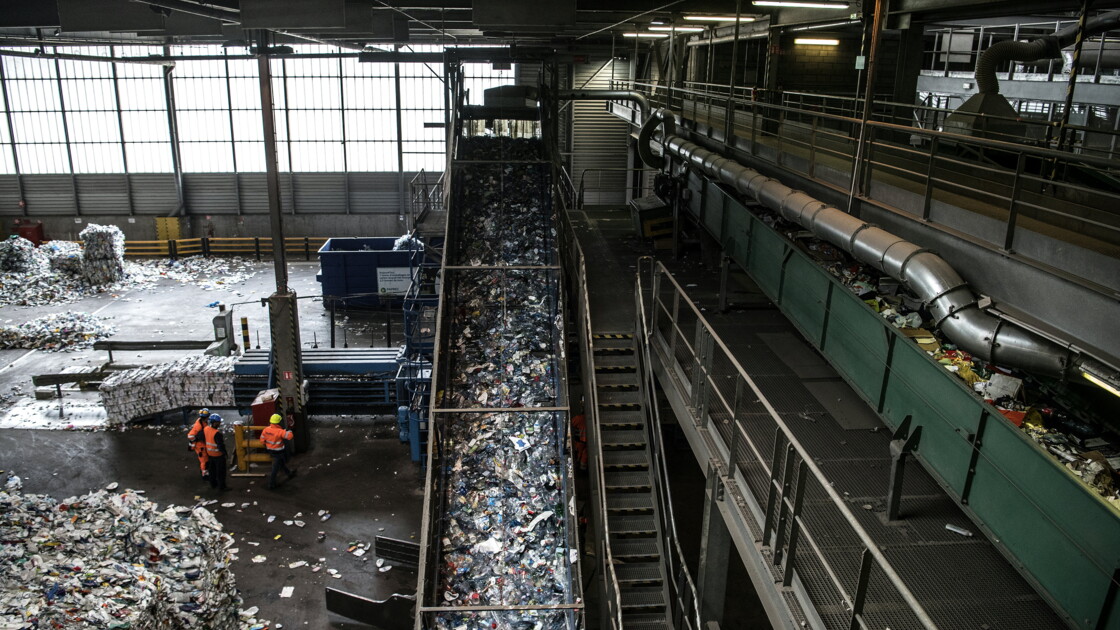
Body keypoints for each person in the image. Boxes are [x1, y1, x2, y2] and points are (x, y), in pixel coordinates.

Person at [260, 413, 297, 489]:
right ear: (279, 422)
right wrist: (289, 430)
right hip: (278, 452)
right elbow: (290, 436)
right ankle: (271, 484)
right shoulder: (280, 431)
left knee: (281, 463)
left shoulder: (266, 430)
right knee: (275, 468)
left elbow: (262, 441)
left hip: (270, 451)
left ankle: (289, 474)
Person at [202, 413, 229, 491]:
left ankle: (213, 484)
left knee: (212, 471)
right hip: (218, 456)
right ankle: (222, 487)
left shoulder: (206, 429)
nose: (219, 423)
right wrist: (225, 454)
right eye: (218, 422)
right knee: (221, 472)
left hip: (210, 455)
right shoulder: (217, 433)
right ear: (214, 423)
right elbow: (221, 446)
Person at [186, 408, 210, 481]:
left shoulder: (202, 422)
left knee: (205, 459)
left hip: (202, 444)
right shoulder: (199, 426)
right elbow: (190, 435)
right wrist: (196, 439)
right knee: (204, 460)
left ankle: (205, 470)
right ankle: (204, 474)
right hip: (200, 446)